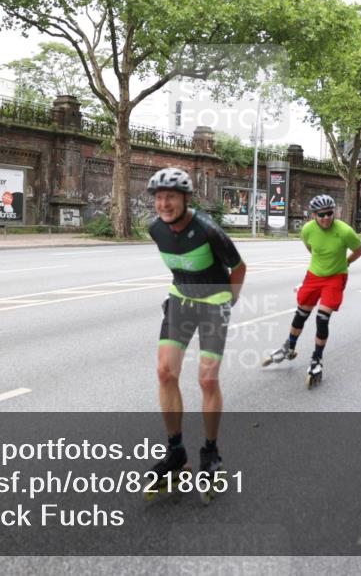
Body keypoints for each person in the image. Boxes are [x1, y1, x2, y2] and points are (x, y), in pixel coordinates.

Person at [145, 168, 246, 500]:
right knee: (164, 372)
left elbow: (238, 266)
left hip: (214, 302)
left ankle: (211, 451)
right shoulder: (155, 230)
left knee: (207, 380)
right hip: (180, 300)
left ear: (186, 199)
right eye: (159, 197)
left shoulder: (206, 229)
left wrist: (229, 301)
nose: (164, 203)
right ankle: (176, 451)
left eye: (171, 197)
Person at [263, 194, 361, 389]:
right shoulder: (307, 230)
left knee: (322, 318)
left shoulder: (345, 231)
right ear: (313, 215)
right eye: (321, 214)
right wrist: (320, 264)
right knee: (301, 314)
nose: (326, 218)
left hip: (336, 277)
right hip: (314, 275)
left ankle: (317, 359)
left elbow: (359, 251)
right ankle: (289, 347)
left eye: (329, 213)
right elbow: (311, 249)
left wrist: (345, 263)